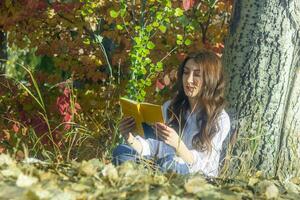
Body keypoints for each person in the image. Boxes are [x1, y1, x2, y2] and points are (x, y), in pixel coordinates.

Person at [112, 50, 230, 177]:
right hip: (161, 164)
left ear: (210, 79)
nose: (189, 80)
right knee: (121, 151)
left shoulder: (219, 119)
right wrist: (130, 138)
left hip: (196, 176)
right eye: (185, 72)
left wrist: (178, 144)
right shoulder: (170, 107)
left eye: (197, 75)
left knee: (169, 165)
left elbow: (202, 165)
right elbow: (156, 147)